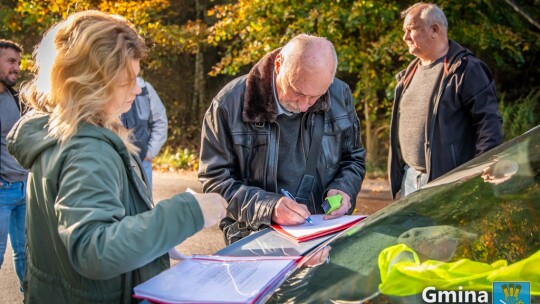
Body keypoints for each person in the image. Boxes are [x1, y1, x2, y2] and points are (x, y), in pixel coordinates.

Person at [7, 11, 226, 303]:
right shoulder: (86, 149)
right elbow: (94, 250)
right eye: (130, 79)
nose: (137, 89)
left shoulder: (55, 131)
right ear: (95, 81)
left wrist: (155, 240)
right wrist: (188, 212)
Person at [199, 34, 366, 245]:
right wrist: (268, 207)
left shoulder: (339, 94)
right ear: (279, 65)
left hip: (322, 233)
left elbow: (353, 158)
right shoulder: (228, 104)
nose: (305, 105)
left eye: (316, 97)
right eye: (297, 92)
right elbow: (215, 181)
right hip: (255, 235)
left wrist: (344, 188)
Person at [388, 3, 503, 198]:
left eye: (411, 30)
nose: (405, 37)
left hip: (449, 182)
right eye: (404, 31)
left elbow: (488, 123)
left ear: (434, 29)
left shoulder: (466, 69)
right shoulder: (409, 73)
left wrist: (478, 171)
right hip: (410, 177)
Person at [0, 39, 27, 292]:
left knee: (27, 254)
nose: (16, 68)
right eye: (10, 61)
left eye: (18, 63)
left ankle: (29, 297)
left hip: (23, 187)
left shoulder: (15, 95)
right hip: (1, 190)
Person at [121, 76, 167, 188]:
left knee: (145, 203)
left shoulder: (145, 89)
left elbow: (160, 121)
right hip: (117, 163)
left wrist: (150, 153)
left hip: (142, 162)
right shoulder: (108, 90)